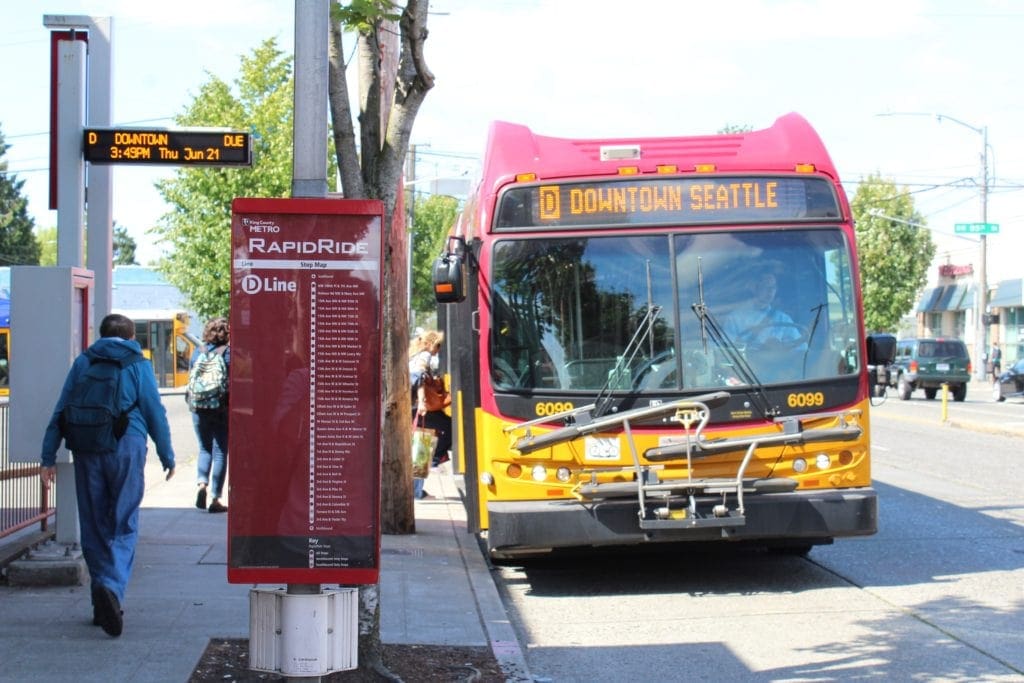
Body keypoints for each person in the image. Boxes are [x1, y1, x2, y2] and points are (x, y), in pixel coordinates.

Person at [40, 313, 176, 637]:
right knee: (124, 522)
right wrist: (166, 454)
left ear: (100, 335)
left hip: (87, 449)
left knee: (94, 524)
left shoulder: (84, 362)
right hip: (127, 448)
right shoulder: (137, 363)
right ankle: (112, 589)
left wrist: (47, 456)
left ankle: (101, 602)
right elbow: (154, 410)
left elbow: (61, 410)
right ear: (131, 337)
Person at [190, 317, 230, 513]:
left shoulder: (198, 351)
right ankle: (215, 498)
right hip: (220, 408)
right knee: (220, 451)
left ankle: (201, 484)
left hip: (199, 407)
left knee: (204, 448)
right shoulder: (228, 353)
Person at [409, 329, 452, 500]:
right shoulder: (424, 356)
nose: (439, 349)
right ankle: (436, 459)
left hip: (412, 407)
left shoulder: (413, 355)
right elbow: (419, 378)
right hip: (419, 407)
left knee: (421, 446)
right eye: (438, 345)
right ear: (430, 344)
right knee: (447, 429)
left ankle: (417, 491)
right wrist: (421, 402)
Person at [723, 271, 803, 349]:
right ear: (754, 288)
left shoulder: (783, 319)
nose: (770, 291)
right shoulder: (735, 318)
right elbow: (725, 348)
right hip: (744, 362)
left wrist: (783, 347)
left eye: (773, 287)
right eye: (765, 286)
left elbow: (801, 347)